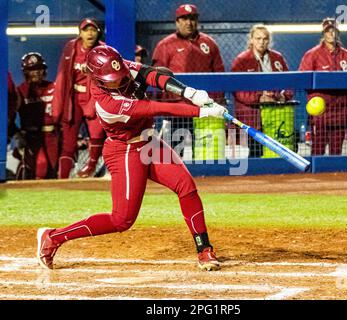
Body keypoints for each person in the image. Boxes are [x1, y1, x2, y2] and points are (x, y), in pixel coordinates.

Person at [36, 45, 226, 271]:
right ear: (98, 78)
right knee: (121, 220)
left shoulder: (120, 67)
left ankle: (204, 249)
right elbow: (152, 107)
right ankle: (53, 237)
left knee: (186, 186)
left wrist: (189, 93)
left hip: (149, 141)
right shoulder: (107, 103)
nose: (118, 79)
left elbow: (153, 75)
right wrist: (201, 111)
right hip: (124, 151)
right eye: (111, 78)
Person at [151, 4, 225, 156]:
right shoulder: (165, 45)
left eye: (192, 18)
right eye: (184, 19)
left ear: (197, 21)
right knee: (173, 154)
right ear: (177, 22)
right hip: (176, 109)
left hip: (205, 108)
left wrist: (217, 100)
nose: (188, 23)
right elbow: (156, 77)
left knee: (208, 155)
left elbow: (219, 74)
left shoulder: (209, 44)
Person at [52, 18, 105, 178]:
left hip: (94, 97)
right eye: (86, 30)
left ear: (98, 32)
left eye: (93, 30)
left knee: (96, 134)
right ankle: (63, 178)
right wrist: (57, 107)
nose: (90, 33)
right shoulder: (70, 47)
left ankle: (91, 166)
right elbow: (62, 76)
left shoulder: (103, 50)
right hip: (73, 98)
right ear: (80, 33)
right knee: (68, 141)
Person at [231, 24, 293, 158]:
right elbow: (237, 90)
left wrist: (283, 96)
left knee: (277, 152)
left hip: (276, 115)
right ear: (251, 40)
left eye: (265, 39)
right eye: (258, 38)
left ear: (269, 41)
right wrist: (258, 98)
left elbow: (289, 83)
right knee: (256, 152)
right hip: (252, 116)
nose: (261, 42)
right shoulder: (241, 60)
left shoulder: (277, 58)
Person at [299, 18, 347, 155]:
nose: (331, 34)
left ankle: (335, 175)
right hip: (321, 112)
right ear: (323, 33)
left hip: (341, 112)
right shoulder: (312, 54)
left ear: (338, 32)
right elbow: (303, 79)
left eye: (333, 30)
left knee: (336, 151)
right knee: (318, 150)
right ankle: (315, 176)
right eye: (327, 31)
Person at [13, 52, 58, 180]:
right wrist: (17, 134)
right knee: (40, 167)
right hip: (31, 137)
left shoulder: (53, 87)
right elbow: (9, 116)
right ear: (25, 72)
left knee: (54, 171)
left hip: (53, 136)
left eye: (39, 68)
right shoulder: (20, 91)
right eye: (32, 69)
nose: (37, 72)